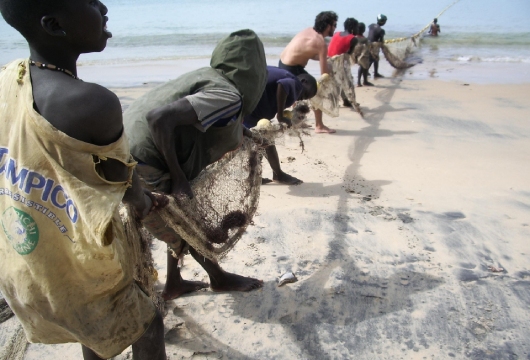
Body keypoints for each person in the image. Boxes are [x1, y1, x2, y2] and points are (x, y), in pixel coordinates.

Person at [0, 0, 166, 359]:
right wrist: (148, 202)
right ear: (55, 25)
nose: (104, 7)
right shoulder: (92, 102)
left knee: (94, 333)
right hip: (80, 270)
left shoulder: (8, 78)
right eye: (91, 2)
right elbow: (128, 189)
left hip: (26, 263)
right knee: (147, 323)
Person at [123, 29, 267, 300]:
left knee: (176, 212)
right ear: (256, 74)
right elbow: (159, 118)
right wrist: (178, 178)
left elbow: (212, 121)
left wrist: (246, 134)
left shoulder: (210, 78)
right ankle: (219, 278)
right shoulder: (229, 95)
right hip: (146, 157)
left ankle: (174, 282)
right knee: (186, 220)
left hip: (123, 146)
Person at [243, 66, 317, 185]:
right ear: (304, 82)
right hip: (251, 110)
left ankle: (255, 175)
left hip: (250, 107)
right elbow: (283, 85)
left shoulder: (286, 75)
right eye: (304, 95)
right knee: (264, 142)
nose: (300, 98)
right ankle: (277, 174)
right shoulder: (294, 82)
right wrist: (281, 116)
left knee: (260, 143)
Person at [279, 11, 338, 134]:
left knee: (299, 91)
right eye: (334, 25)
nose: (335, 28)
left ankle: (296, 122)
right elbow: (324, 75)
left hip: (283, 63)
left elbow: (305, 52)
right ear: (328, 26)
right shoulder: (321, 42)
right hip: (292, 68)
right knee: (316, 89)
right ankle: (319, 125)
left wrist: (326, 57)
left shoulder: (309, 31)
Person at [328, 17, 360, 107]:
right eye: (357, 27)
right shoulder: (353, 39)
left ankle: (336, 102)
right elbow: (349, 53)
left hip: (328, 61)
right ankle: (349, 100)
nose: (358, 29)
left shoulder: (336, 33)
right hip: (339, 62)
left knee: (336, 82)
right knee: (347, 81)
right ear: (353, 27)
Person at [367, 14, 387, 79]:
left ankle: (373, 72)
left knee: (373, 58)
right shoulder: (381, 31)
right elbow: (381, 40)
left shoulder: (371, 25)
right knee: (374, 59)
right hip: (374, 45)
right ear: (383, 22)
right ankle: (372, 72)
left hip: (367, 43)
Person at [356, 22, 374, 87]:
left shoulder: (355, 37)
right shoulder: (364, 39)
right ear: (363, 30)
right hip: (363, 56)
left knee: (362, 67)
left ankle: (359, 82)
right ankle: (364, 81)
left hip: (356, 55)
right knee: (364, 67)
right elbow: (368, 46)